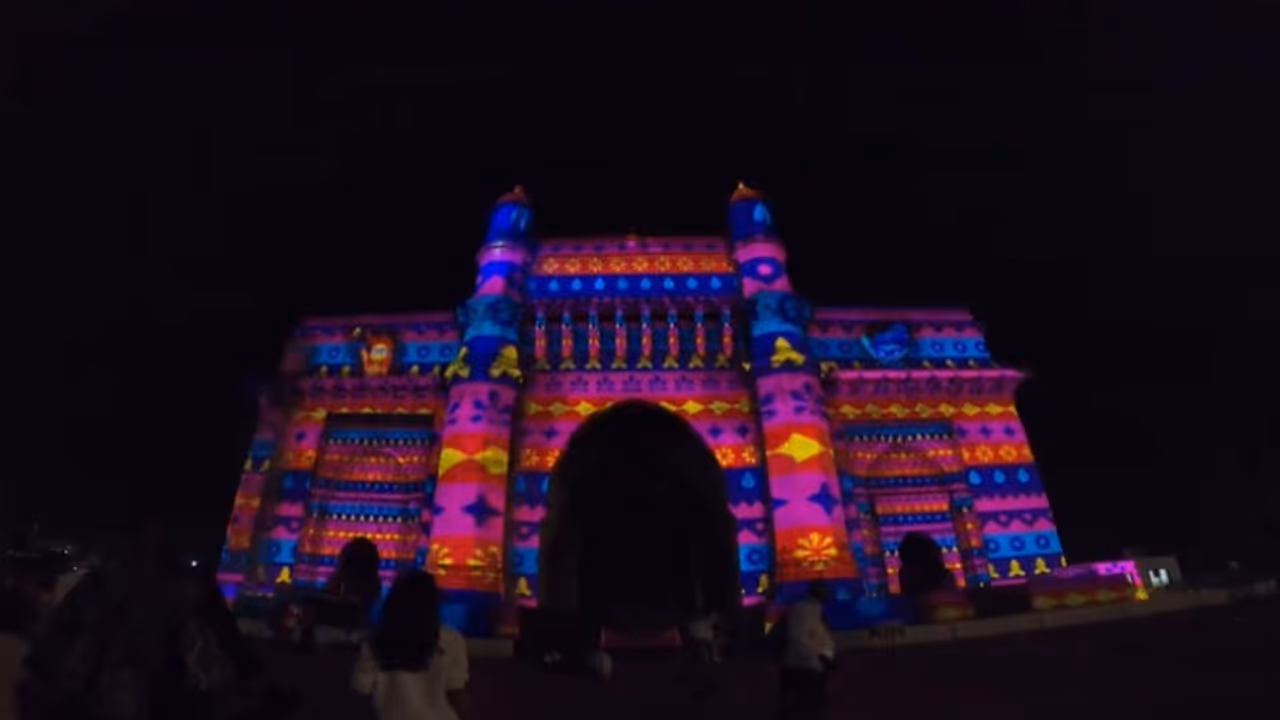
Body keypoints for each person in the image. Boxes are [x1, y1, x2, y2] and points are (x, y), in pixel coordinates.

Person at [352, 572, 470, 720]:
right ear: (433, 601)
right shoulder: (451, 639)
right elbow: (456, 692)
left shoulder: (376, 641)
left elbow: (362, 691)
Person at [774, 582, 835, 720]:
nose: (828, 594)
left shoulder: (813, 609)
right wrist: (817, 661)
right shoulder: (804, 609)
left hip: (809, 667)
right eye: (825, 590)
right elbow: (798, 639)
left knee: (808, 706)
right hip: (803, 668)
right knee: (803, 707)